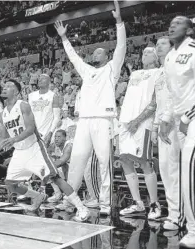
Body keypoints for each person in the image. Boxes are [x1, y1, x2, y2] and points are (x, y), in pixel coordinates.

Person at [54, 0, 126, 216]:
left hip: (103, 121)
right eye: (94, 52)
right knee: (76, 162)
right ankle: (70, 200)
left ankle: (105, 204)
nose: (95, 54)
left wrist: (119, 22)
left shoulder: (112, 69)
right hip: (84, 121)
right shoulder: (87, 71)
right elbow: (74, 57)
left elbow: (121, 47)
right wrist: (64, 38)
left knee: (105, 162)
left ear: (106, 56)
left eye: (99, 52)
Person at [0, 79, 90, 222]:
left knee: (54, 178)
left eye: (9, 86)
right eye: (4, 85)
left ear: (16, 91)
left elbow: (30, 128)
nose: (5, 87)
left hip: (35, 148)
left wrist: (14, 139)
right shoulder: (3, 114)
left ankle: (82, 208)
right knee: (10, 184)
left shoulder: (23, 105)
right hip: (20, 152)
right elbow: (2, 140)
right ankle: (37, 196)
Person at [160, 16, 195, 248]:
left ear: (189, 29)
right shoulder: (169, 56)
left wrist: (188, 117)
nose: (171, 25)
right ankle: (176, 216)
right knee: (173, 169)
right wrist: (167, 118)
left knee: (191, 168)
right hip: (178, 119)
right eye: (171, 23)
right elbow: (170, 93)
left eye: (177, 23)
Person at [118, 47, 162, 220]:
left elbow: (156, 99)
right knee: (124, 159)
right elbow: (129, 98)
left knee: (144, 161)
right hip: (125, 122)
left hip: (143, 122)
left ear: (157, 57)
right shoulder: (134, 73)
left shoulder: (160, 72)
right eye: (143, 52)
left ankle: (154, 203)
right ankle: (137, 203)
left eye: (149, 52)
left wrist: (137, 121)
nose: (144, 54)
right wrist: (123, 119)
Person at [151, 36, 181, 231]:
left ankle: (177, 214)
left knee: (173, 169)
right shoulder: (160, 73)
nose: (158, 46)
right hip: (163, 124)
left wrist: (166, 119)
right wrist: (155, 126)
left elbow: (175, 97)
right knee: (165, 168)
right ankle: (176, 212)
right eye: (157, 44)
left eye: (163, 43)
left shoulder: (176, 68)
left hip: (177, 123)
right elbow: (158, 102)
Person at [28, 73, 61, 147]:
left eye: (43, 78)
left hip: (45, 132)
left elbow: (56, 117)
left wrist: (50, 133)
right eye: (39, 78)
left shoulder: (53, 96)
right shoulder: (31, 96)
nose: (39, 80)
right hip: (32, 133)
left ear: (49, 82)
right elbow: (29, 115)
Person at [48, 130, 72, 203]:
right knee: (49, 169)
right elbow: (46, 154)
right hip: (67, 169)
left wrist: (48, 167)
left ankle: (69, 196)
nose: (56, 139)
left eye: (59, 137)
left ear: (65, 138)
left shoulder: (68, 146)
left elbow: (62, 161)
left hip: (79, 169)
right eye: (55, 137)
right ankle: (58, 194)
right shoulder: (54, 146)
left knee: (58, 166)